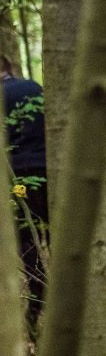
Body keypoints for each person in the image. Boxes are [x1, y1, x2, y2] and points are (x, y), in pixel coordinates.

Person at [1, 55, 49, 331]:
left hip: (19, 178)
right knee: (51, 232)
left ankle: (37, 301)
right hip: (48, 174)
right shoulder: (33, 87)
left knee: (27, 237)